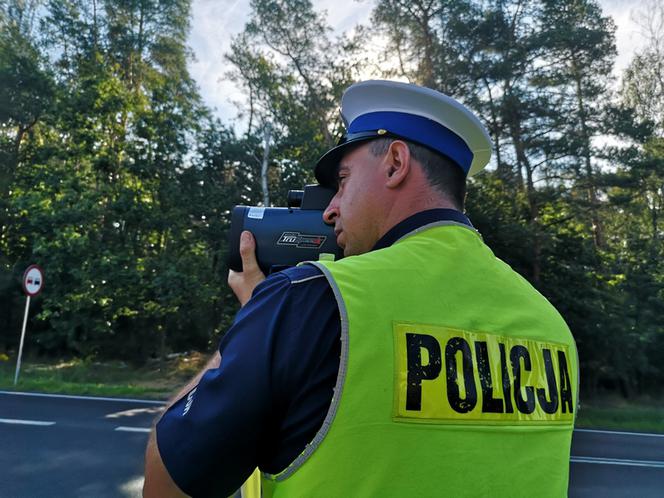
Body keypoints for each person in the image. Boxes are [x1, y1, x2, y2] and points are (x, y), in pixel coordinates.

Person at [143, 80, 579, 498]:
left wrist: (254, 316)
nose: (330, 210)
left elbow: (169, 482)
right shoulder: (551, 324)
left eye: (343, 181)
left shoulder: (310, 300)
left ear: (395, 163)